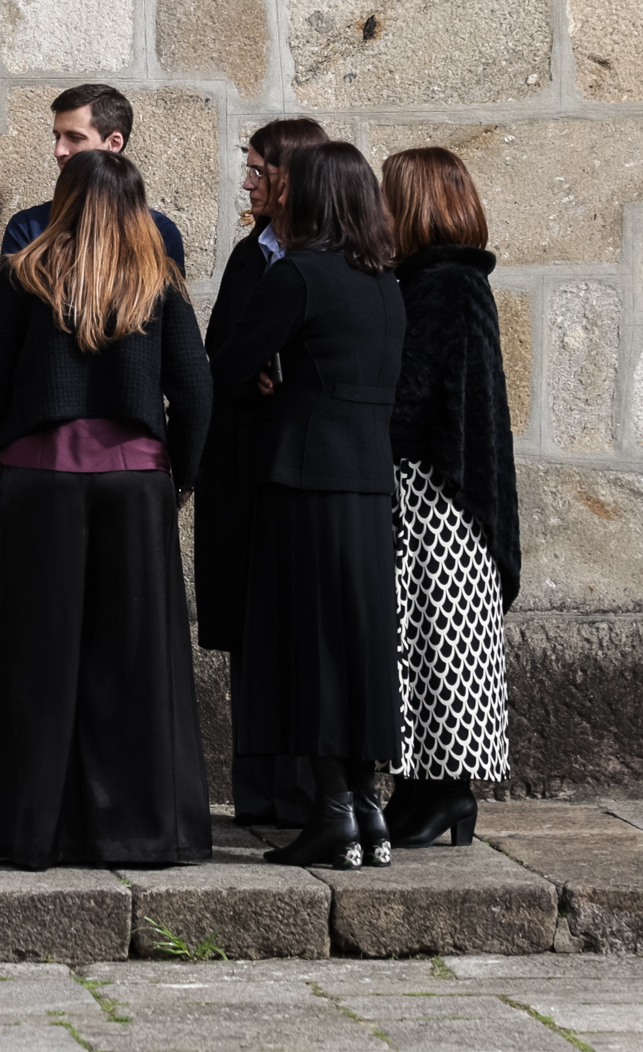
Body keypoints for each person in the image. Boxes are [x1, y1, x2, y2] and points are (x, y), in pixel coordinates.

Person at [0, 151, 213, 872]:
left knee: (32, 659)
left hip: (39, 479)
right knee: (135, 662)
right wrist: (181, 475)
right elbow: (196, 389)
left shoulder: (26, 273)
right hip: (135, 481)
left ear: (63, 200)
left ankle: (28, 833)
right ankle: (139, 833)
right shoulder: (159, 277)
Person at [207, 141, 408, 872]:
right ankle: (368, 807)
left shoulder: (298, 274)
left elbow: (227, 360)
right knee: (360, 647)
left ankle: (330, 811)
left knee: (310, 647)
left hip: (302, 480)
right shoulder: (385, 283)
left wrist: (262, 370)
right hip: (367, 485)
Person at [380, 148, 521, 851]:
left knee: (443, 643)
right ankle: (421, 789)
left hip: (439, 495)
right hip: (438, 490)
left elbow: (414, 395)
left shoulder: (444, 284)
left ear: (414, 207)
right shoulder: (441, 281)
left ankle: (447, 792)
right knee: (425, 643)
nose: (378, 212)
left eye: (388, 199)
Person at [203, 117, 330, 828]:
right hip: (245, 466)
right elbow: (219, 352)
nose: (247, 183)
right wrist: (245, 371)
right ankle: (258, 791)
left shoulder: (329, 257)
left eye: (259, 171)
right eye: (248, 168)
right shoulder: (251, 255)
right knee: (251, 631)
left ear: (293, 177)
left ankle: (306, 792)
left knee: (302, 634)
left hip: (303, 472)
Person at [0, 83, 189, 273]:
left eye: (75, 138)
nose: (59, 151)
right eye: (57, 137)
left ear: (114, 143)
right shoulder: (27, 227)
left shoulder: (158, 232)